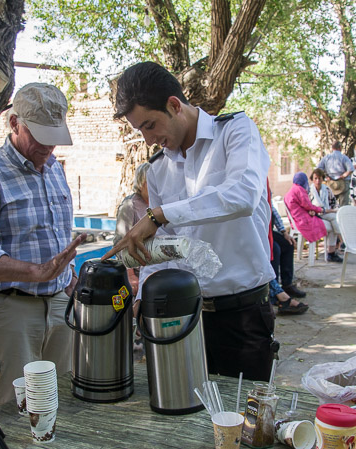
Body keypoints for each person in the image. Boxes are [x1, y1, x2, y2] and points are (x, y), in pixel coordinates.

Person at [104, 61, 277, 381]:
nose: (149, 140)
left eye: (150, 125)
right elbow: (163, 246)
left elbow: (241, 195)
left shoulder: (235, 132)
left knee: (243, 421)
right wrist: (143, 295)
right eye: (140, 130)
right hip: (182, 315)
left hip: (243, 317)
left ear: (174, 105)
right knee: (183, 419)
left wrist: (160, 215)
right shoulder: (156, 168)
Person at [0, 83, 86, 409]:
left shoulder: (55, 170)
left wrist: (70, 281)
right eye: (40, 135)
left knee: (61, 406)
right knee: (14, 412)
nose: (48, 146)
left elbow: (60, 236)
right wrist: (37, 272)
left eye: (54, 136)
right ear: (15, 123)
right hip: (10, 310)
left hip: (60, 307)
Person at [114, 162, 152, 296]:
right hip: (137, 272)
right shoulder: (130, 205)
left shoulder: (158, 203)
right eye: (150, 182)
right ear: (141, 183)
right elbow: (121, 242)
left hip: (154, 270)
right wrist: (130, 275)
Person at [269, 201, 309, 315]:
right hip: (256, 230)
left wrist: (283, 231)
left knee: (288, 243)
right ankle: (276, 294)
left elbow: (273, 211)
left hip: (267, 230)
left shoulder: (264, 186)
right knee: (274, 249)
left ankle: (287, 285)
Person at [284, 172, 327, 257]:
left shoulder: (293, 188)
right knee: (327, 225)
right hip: (303, 221)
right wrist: (320, 210)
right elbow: (307, 205)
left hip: (297, 220)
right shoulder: (300, 189)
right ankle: (330, 252)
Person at [308, 169, 344, 263]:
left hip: (326, 213)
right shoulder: (309, 191)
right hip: (315, 215)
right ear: (312, 179)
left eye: (319, 178)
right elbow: (307, 205)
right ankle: (342, 240)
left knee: (333, 223)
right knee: (333, 218)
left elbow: (334, 203)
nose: (318, 181)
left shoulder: (327, 190)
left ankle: (331, 253)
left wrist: (334, 209)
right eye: (315, 178)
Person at [317, 141, 353, 207]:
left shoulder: (326, 158)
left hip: (331, 183)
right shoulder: (344, 157)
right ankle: (342, 217)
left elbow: (318, 169)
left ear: (332, 148)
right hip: (343, 183)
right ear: (340, 147)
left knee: (330, 204)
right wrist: (343, 176)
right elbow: (350, 169)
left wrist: (325, 177)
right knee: (344, 205)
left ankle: (332, 216)